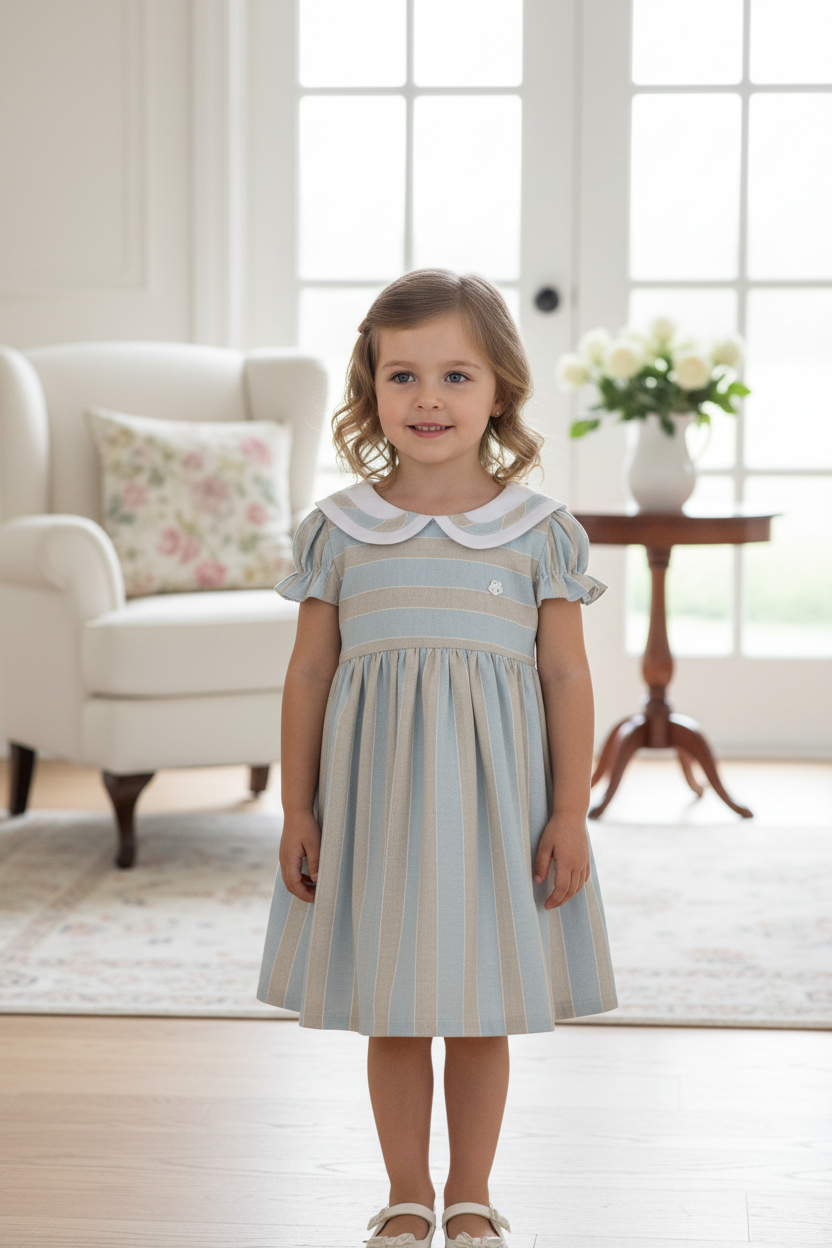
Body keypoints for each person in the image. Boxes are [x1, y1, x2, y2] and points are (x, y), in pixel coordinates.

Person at [257, 269, 617, 1248]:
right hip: (376, 811)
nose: (427, 399)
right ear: (369, 390)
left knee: (480, 1008)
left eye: (455, 376)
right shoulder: (339, 531)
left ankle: (471, 1194)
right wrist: (297, 810)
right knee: (395, 1009)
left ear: (498, 388)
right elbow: (308, 675)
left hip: (496, 812)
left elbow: (567, 682)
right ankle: (405, 1193)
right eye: (402, 376)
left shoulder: (539, 534)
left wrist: (569, 812)